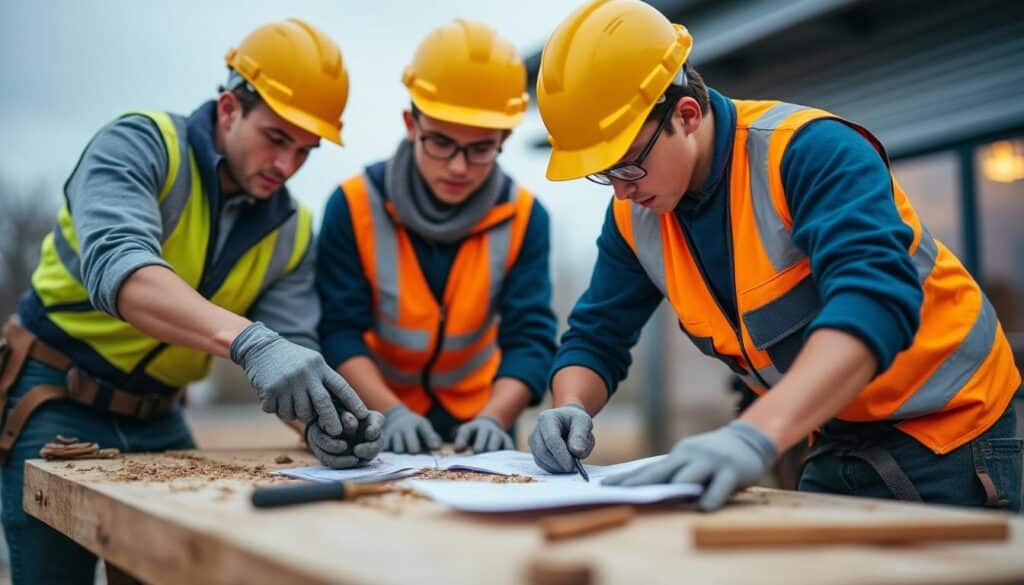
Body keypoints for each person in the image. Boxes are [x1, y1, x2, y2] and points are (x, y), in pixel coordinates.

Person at [528, 0, 1021, 512]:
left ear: (687, 114)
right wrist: (570, 406)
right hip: (823, 428)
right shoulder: (637, 215)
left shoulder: (811, 152)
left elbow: (871, 302)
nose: (622, 192)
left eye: (628, 166)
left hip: (952, 427)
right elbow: (598, 333)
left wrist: (753, 435)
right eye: (605, 175)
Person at [0, 19, 381, 584]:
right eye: (277, 138)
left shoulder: (295, 230)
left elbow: (291, 352)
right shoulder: (141, 145)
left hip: (161, 417)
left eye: (305, 150)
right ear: (229, 107)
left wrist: (321, 424)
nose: (287, 165)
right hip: (55, 399)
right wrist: (251, 342)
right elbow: (120, 271)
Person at [316, 20, 557, 457]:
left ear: (504, 137)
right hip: (377, 414)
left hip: (482, 420)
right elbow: (339, 330)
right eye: (442, 143)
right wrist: (389, 412)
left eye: (480, 148)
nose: (459, 167)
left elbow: (531, 338)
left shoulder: (526, 218)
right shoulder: (352, 206)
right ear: (412, 123)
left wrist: (496, 417)